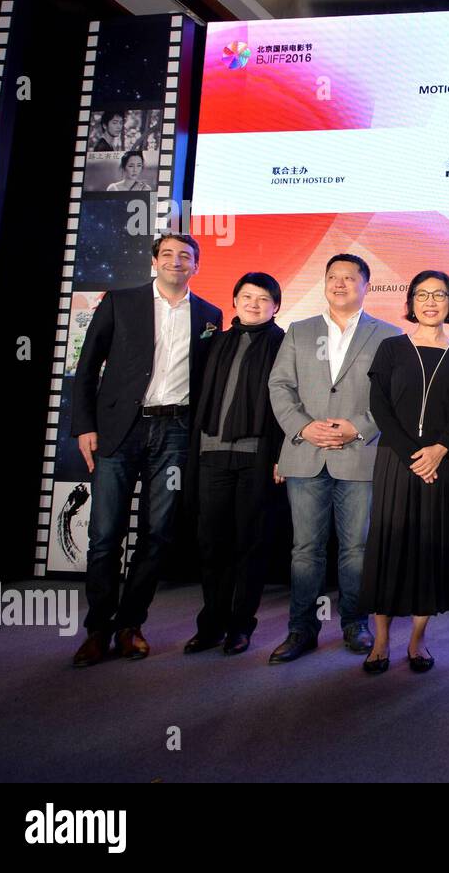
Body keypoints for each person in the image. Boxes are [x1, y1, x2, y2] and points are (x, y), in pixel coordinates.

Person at [69, 233, 223, 666]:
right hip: (119, 431)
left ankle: (130, 624)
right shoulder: (120, 302)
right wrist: (84, 426)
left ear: (196, 265)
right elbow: (86, 369)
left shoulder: (210, 314)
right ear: (155, 261)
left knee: (157, 535)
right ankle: (97, 628)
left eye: (186, 257)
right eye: (168, 255)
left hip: (175, 432)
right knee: (104, 536)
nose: (177, 262)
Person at [267, 254, 400, 663]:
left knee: (356, 549)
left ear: (366, 285)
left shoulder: (388, 335)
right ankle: (301, 630)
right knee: (305, 549)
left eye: (349, 278)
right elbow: (280, 385)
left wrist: (358, 426)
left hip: (359, 453)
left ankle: (354, 625)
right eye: (332, 277)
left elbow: (392, 395)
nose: (339, 284)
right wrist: (304, 427)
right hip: (306, 453)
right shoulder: (299, 330)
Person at [359, 271, 449, 674]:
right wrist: (415, 456)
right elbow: (380, 407)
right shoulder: (390, 348)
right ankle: (381, 641)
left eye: (439, 295)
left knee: (430, 550)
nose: (430, 302)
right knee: (388, 548)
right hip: (396, 460)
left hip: (443, 463)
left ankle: (417, 641)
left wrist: (439, 449)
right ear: (410, 303)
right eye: (422, 295)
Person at [183, 273, 286, 657]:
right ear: (234, 302)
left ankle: (241, 626)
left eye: (263, 298)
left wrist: (282, 454)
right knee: (212, 543)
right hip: (211, 453)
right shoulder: (215, 342)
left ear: (276, 305)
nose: (254, 304)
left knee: (251, 544)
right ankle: (210, 625)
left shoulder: (283, 344)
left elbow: (289, 404)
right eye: (246, 296)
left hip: (256, 457)